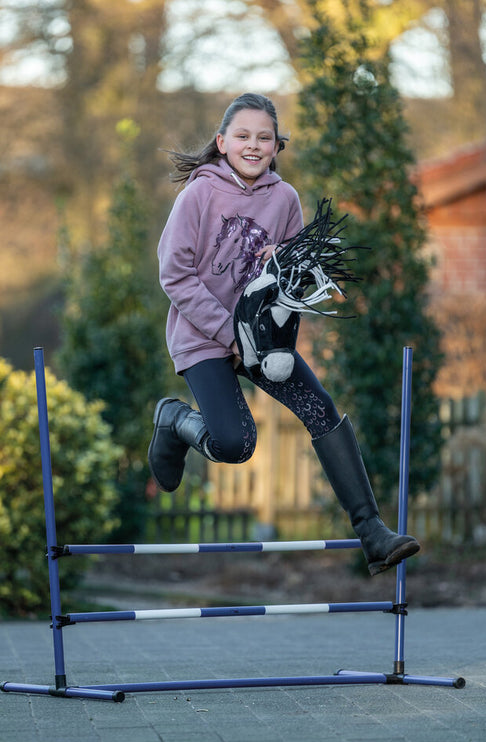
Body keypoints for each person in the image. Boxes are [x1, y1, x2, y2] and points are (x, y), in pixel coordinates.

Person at [148, 92, 419, 576]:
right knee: (236, 444)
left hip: (262, 338)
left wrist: (285, 264)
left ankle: (373, 533)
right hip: (203, 338)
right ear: (222, 141)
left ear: (277, 146)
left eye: (264, 138)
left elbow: (290, 286)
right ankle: (174, 421)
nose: (253, 145)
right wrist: (229, 335)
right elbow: (175, 275)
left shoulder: (285, 199)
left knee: (322, 409)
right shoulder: (199, 194)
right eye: (243, 136)